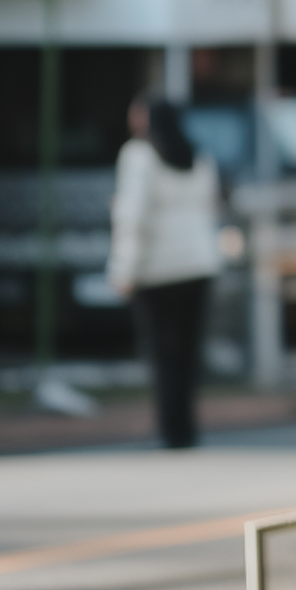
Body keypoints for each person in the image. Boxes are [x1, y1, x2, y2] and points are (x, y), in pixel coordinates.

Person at [107, 96, 221, 449]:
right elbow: (211, 206)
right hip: (199, 264)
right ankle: (186, 428)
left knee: (161, 354)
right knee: (188, 352)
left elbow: (132, 218)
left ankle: (170, 429)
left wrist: (123, 269)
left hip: (156, 270)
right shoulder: (198, 156)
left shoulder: (137, 156)